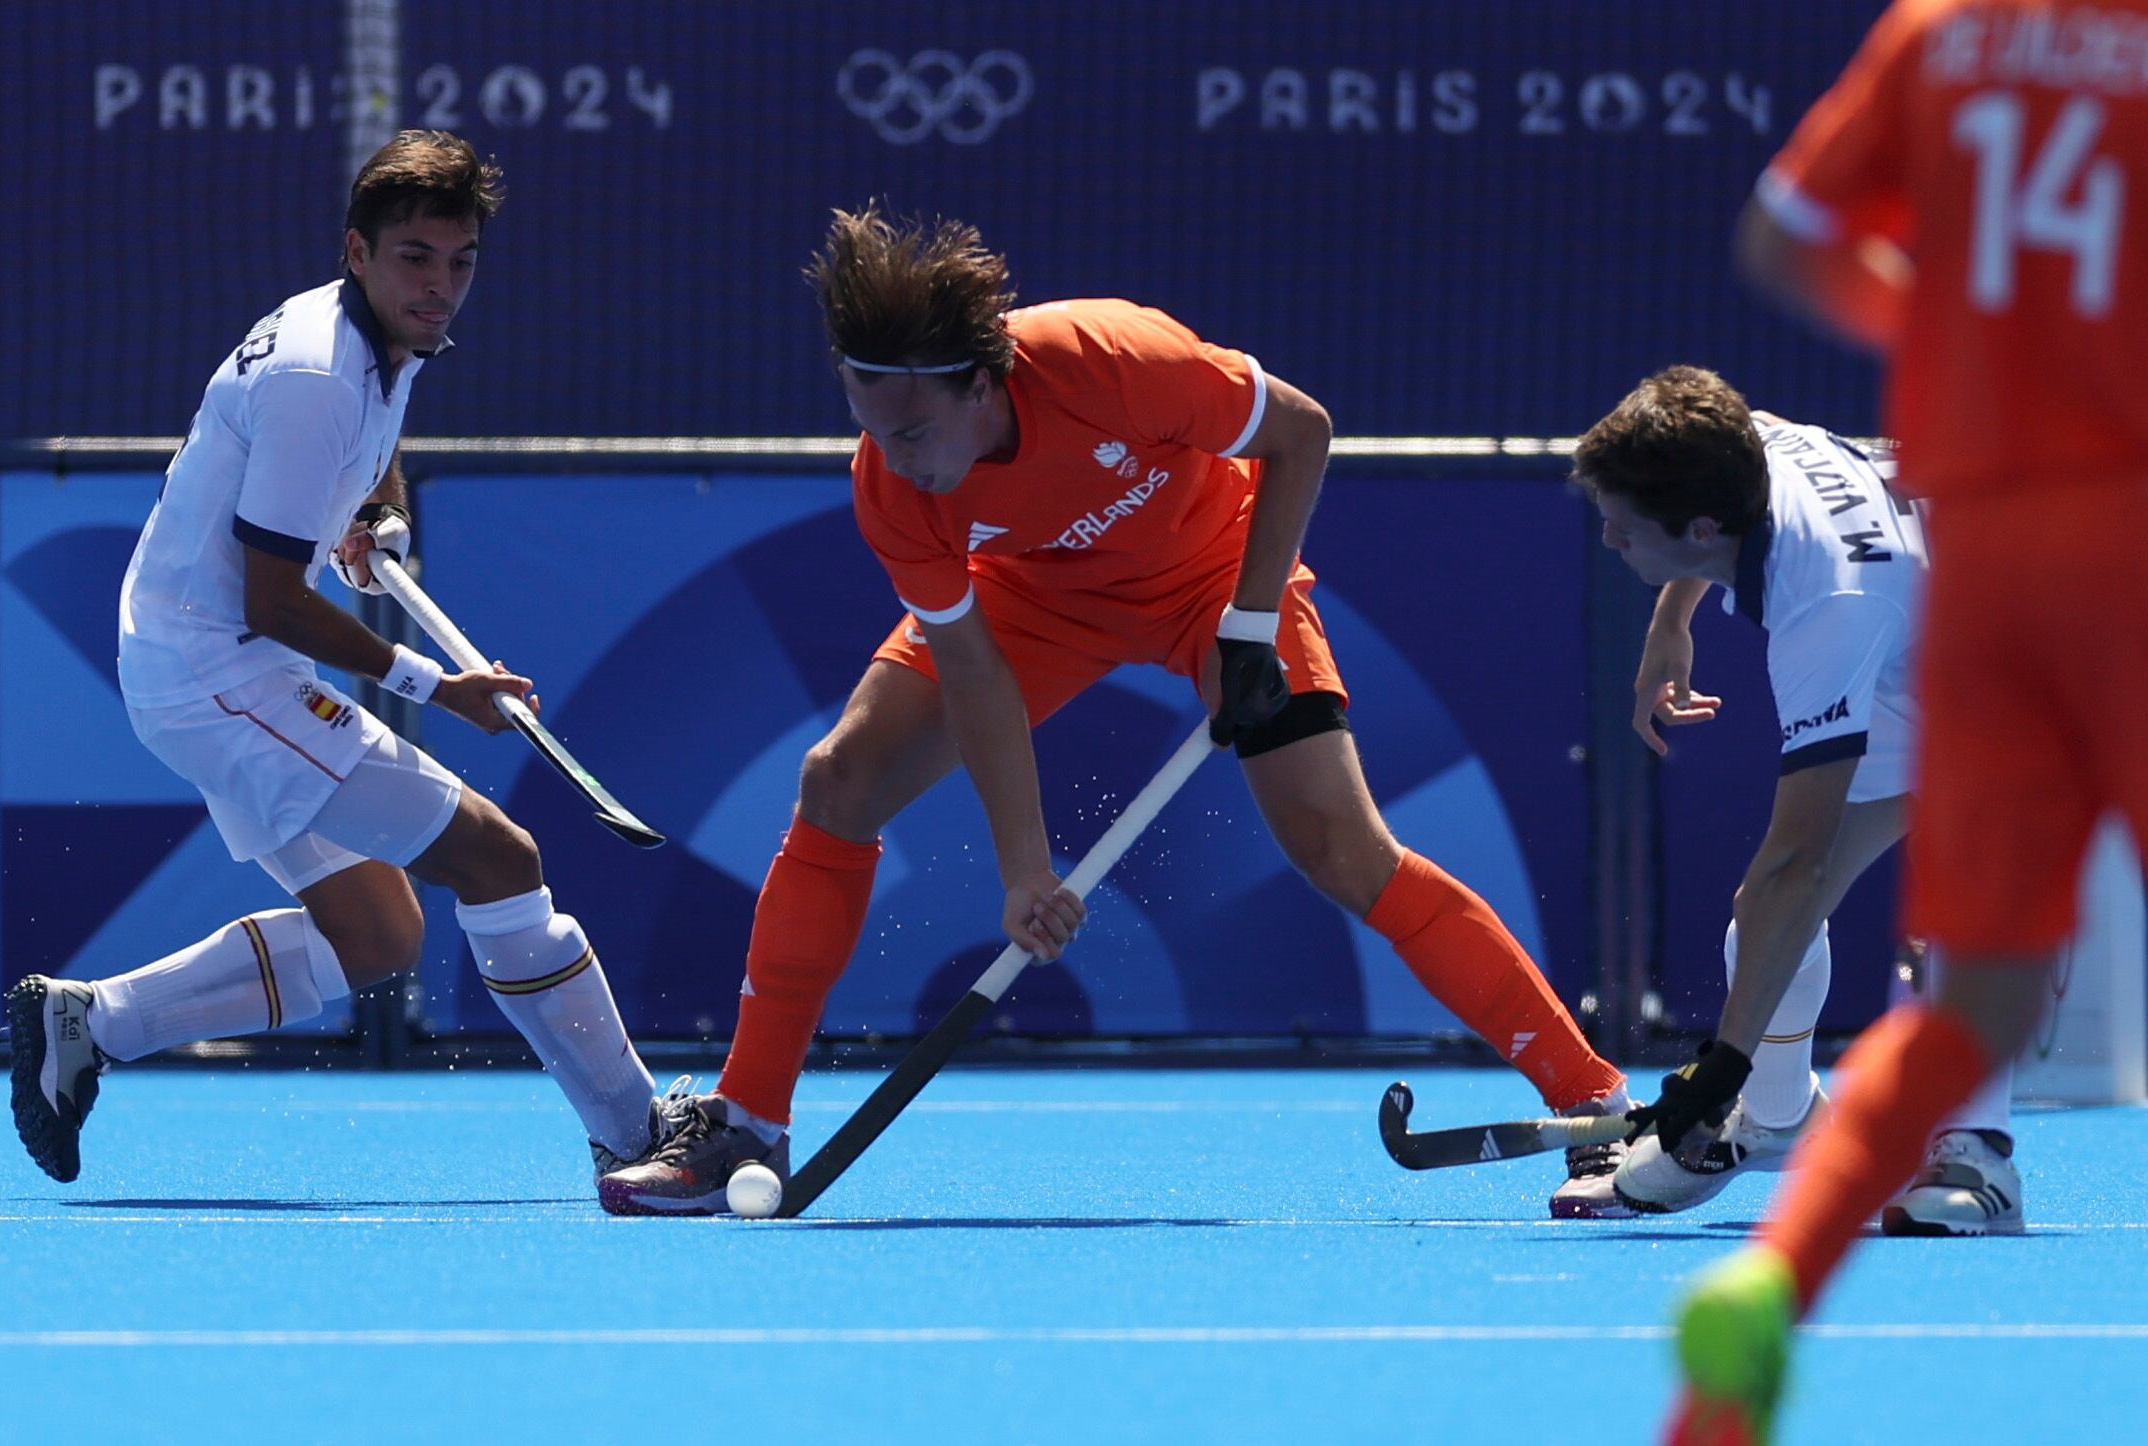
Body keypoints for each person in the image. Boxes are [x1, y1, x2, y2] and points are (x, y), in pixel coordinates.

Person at [599, 205, 1631, 1216]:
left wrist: (1248, 621)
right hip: (1035, 599)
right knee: (838, 780)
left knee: (1339, 847)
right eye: (871, 427)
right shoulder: (894, 486)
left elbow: (1301, 434)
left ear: (982, 381)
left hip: (1215, 575)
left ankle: (1597, 1109)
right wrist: (1024, 871)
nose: (897, 456)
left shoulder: (1110, 359)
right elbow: (974, 676)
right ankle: (750, 1120)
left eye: (912, 429)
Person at [6, 130, 687, 1192]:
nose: (441, 286)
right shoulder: (318, 375)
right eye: (416, 257)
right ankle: (637, 1131)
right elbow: (269, 598)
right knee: (499, 861)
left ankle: (91, 1024)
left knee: (376, 934)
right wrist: (437, 688)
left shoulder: (381, 338)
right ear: (357, 250)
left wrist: (379, 521)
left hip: (198, 661)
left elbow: (369, 466)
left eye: (460, 261)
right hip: (216, 670)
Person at [1661, 3, 2148, 1441]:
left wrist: (1969, 340)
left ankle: (1773, 1282)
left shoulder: (1941, 34)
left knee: (1977, 992)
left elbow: (1781, 240)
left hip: (1985, 554)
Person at [1573, 364, 2021, 1232]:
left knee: (1959, 902)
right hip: (1928, 644)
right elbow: (1754, 427)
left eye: (1623, 528)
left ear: (1702, 527)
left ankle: (1979, 1159)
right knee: (1767, 917)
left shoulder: (1827, 611)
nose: (1607, 542)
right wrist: (1673, 623)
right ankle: (1777, 1121)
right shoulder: (1750, 447)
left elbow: (1798, 856)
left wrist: (1714, 1072)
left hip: (2043, 661)